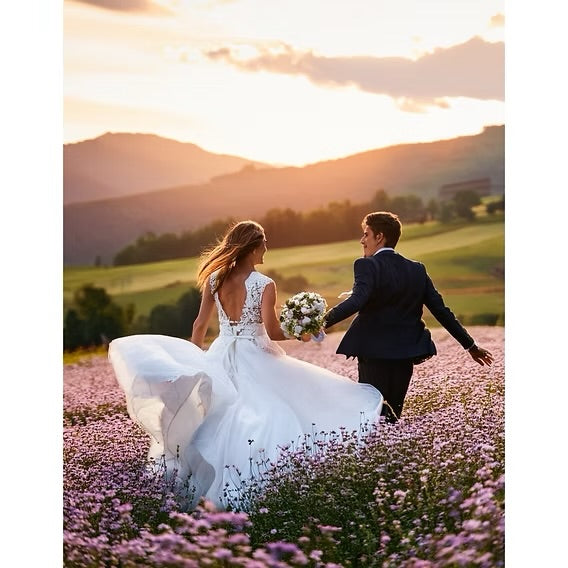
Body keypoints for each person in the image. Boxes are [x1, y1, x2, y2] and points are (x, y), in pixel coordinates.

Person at [108, 220, 383, 509]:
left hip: (220, 353)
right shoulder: (264, 284)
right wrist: (302, 332)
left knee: (216, 415)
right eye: (264, 243)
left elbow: (200, 324)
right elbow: (274, 332)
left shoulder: (215, 279)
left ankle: (203, 486)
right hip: (255, 355)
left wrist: (194, 360)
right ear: (253, 247)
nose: (267, 248)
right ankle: (258, 484)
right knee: (269, 411)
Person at [324, 211, 493, 423]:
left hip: (374, 353)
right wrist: (470, 346)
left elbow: (357, 301)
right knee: (393, 415)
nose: (362, 240)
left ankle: (376, 454)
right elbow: (441, 311)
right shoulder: (417, 270)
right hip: (405, 354)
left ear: (380, 236)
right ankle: (389, 452)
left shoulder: (366, 265)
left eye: (366, 234)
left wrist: (320, 323)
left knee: (372, 414)